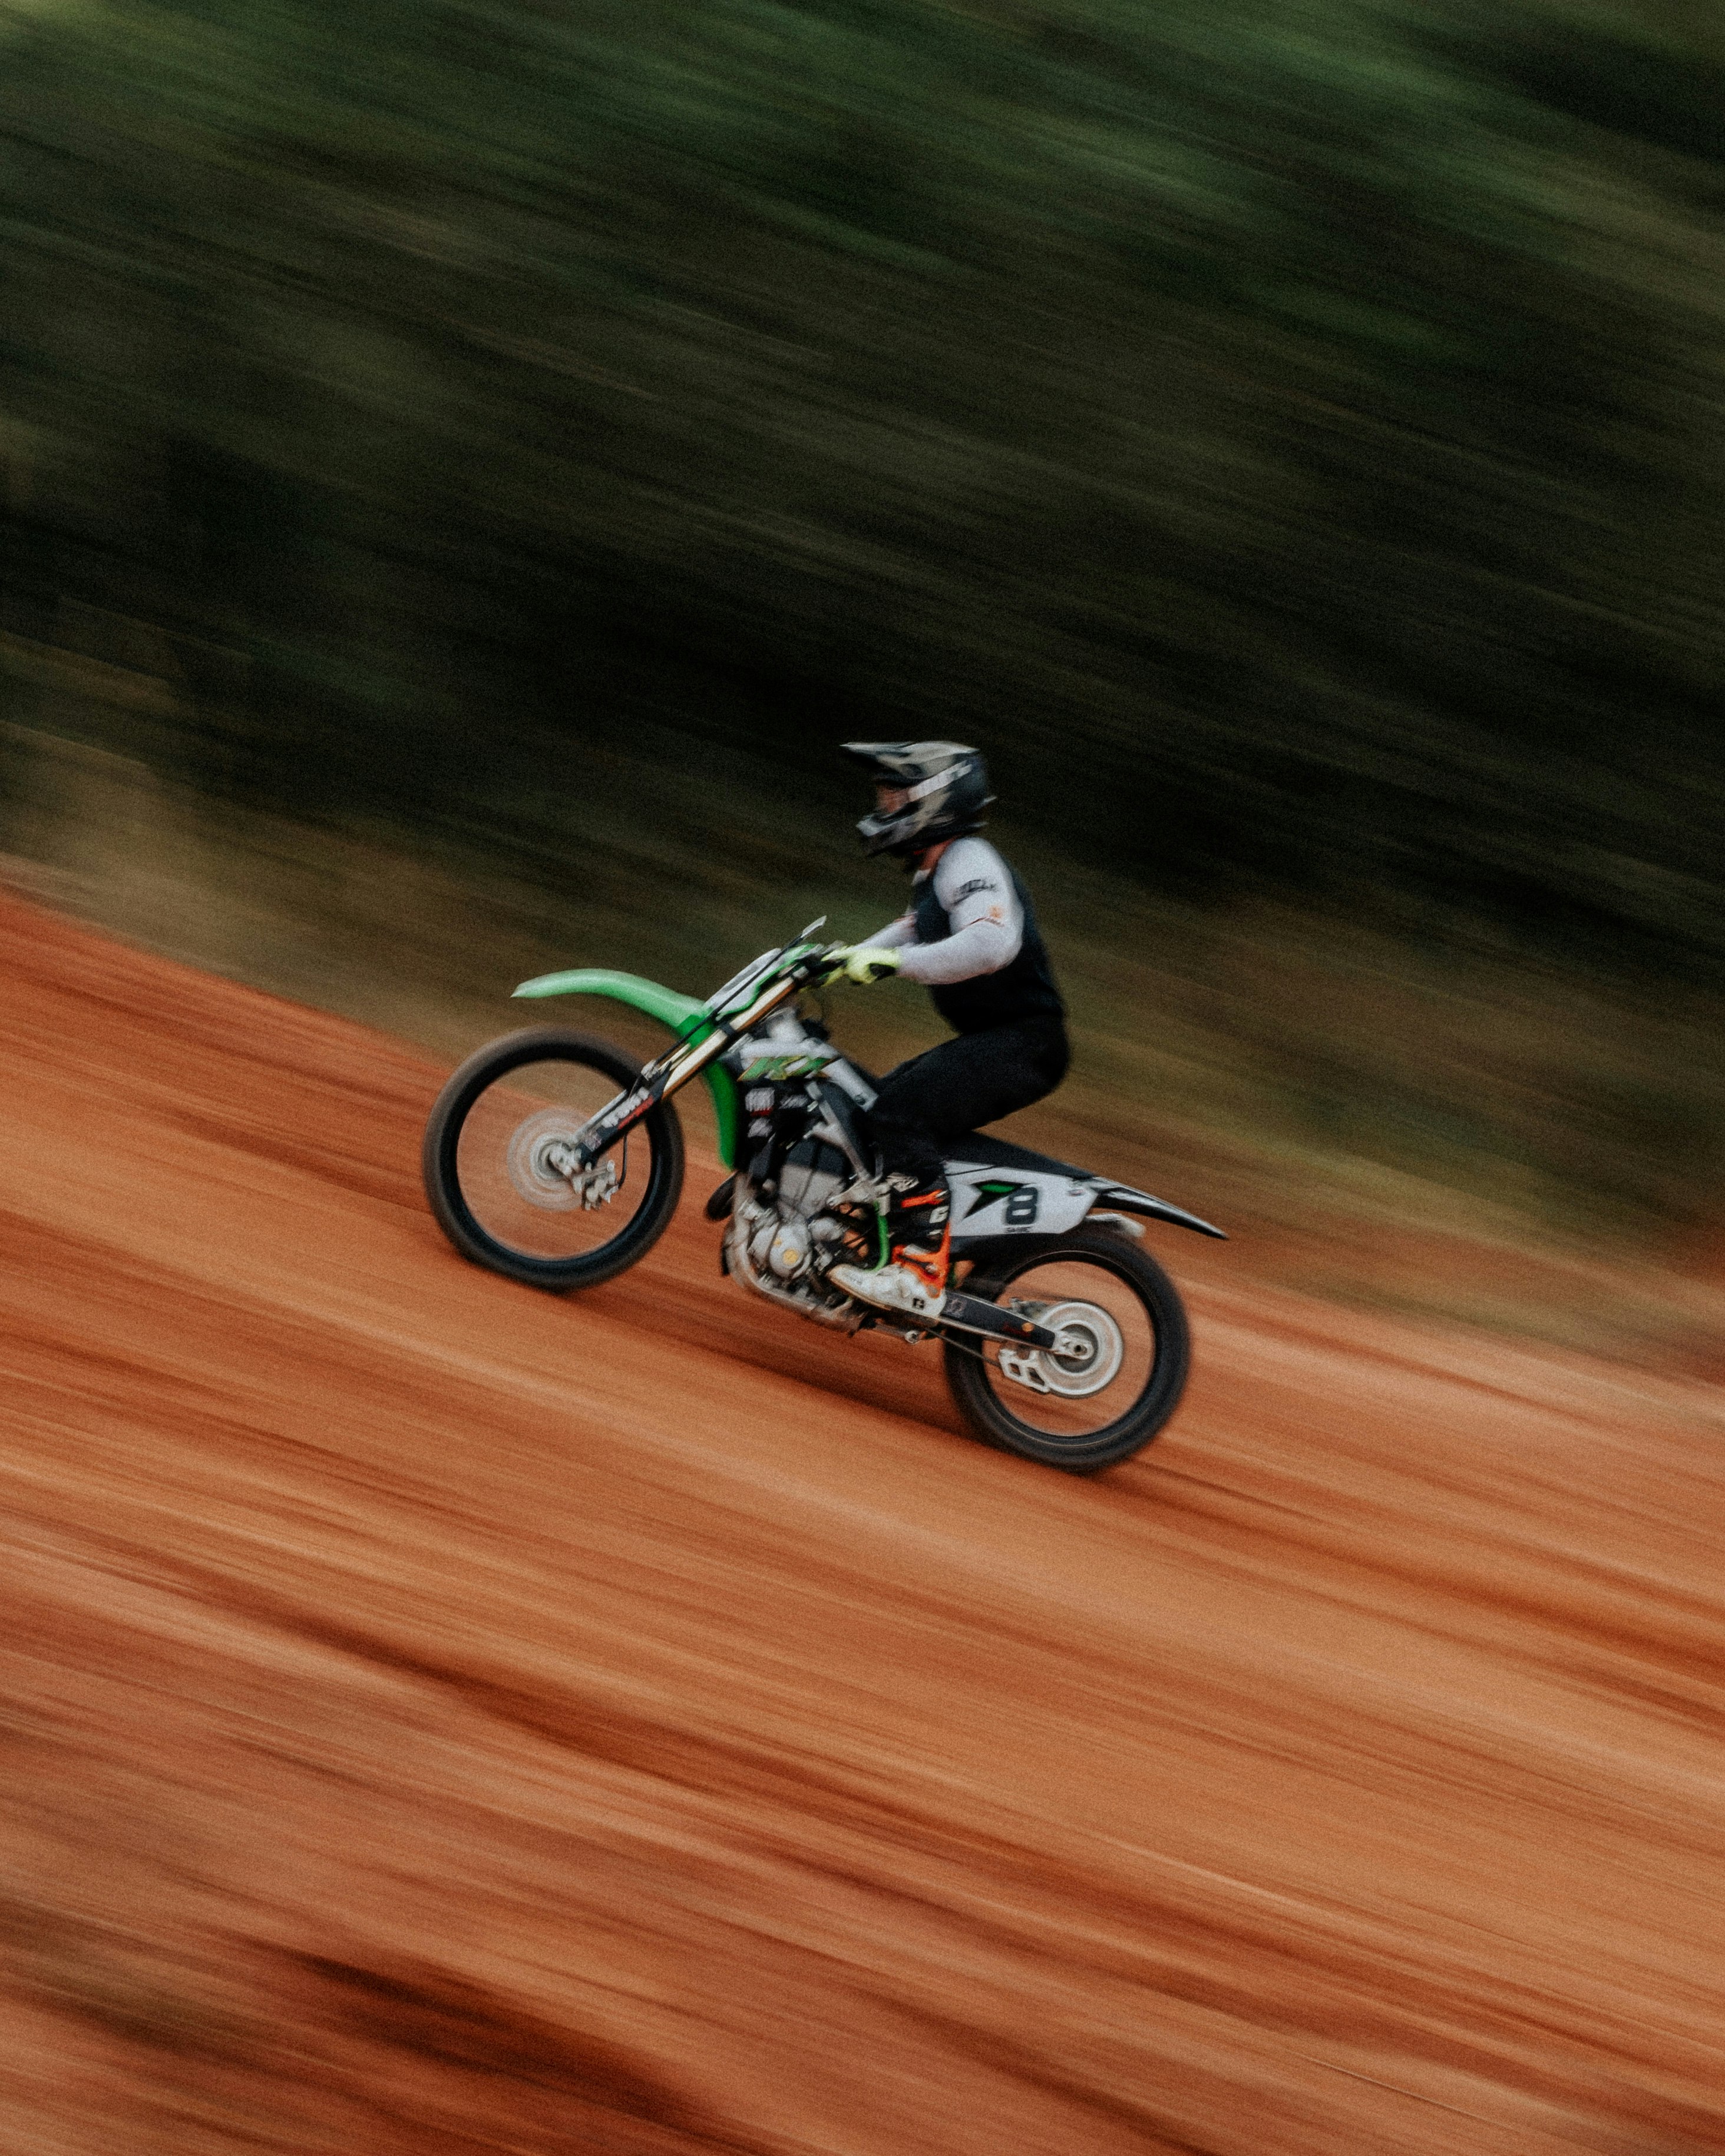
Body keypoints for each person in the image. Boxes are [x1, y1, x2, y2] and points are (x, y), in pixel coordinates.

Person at [821, 740, 1068, 1320]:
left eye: (896, 796)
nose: (885, 807)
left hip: (1025, 1043)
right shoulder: (938, 871)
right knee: (874, 1107)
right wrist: (838, 959)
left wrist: (891, 965)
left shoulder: (969, 859)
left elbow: (991, 943)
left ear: (936, 800)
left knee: (901, 1115)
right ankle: (876, 1236)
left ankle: (919, 1269)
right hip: (1000, 1040)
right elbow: (913, 928)